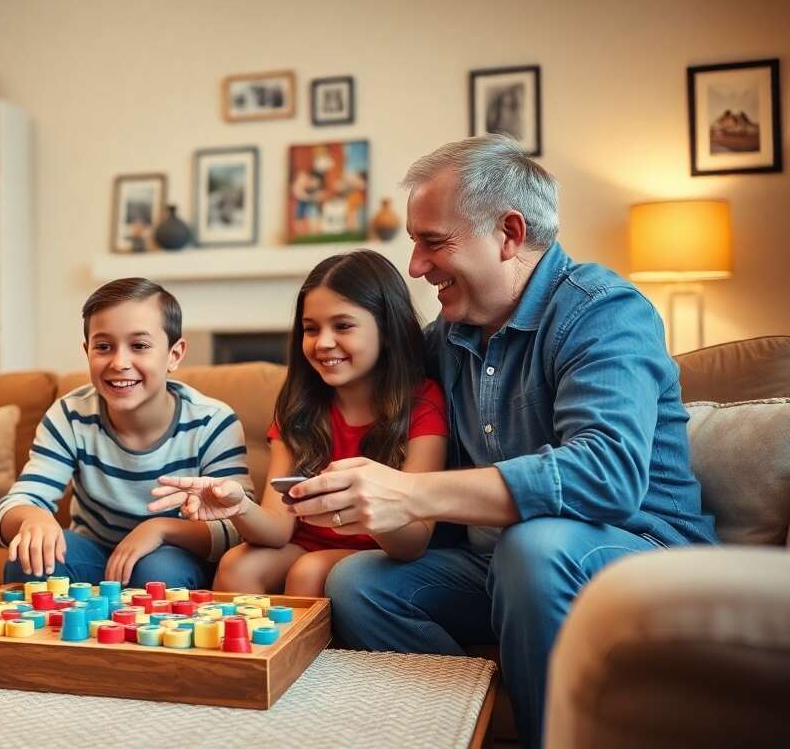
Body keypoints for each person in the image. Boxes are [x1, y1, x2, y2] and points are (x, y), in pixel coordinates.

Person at [283, 135, 717, 746]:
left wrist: (415, 494)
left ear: (509, 234)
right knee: (359, 585)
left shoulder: (604, 311)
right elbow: (365, 387)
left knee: (533, 547)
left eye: (433, 242)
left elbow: (607, 476)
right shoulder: (447, 340)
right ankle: (477, 726)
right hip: (496, 565)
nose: (415, 266)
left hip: (643, 552)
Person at [148, 250, 447, 597]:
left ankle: (319, 655)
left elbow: (413, 542)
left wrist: (365, 508)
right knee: (236, 565)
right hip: (304, 545)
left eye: (343, 326)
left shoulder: (422, 402)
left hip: (382, 554)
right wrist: (240, 507)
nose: (323, 342)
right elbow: (277, 528)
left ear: (387, 327)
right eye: (310, 329)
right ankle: (249, 653)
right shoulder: (298, 405)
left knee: (309, 571)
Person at [0, 278, 252, 589]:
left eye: (139, 346)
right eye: (103, 347)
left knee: (159, 571)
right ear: (87, 350)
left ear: (174, 354)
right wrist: (32, 518)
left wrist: (161, 529)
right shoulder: (70, 415)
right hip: (94, 554)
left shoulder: (212, 421)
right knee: (29, 559)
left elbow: (237, 527)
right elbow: (18, 501)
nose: (119, 363)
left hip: (173, 555)